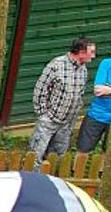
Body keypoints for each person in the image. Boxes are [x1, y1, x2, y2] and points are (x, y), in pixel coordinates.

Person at [29, 37, 96, 168]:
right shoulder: (56, 65)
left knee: (58, 156)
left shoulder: (83, 70)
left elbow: (80, 93)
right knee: (36, 155)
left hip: (67, 123)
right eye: (91, 52)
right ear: (81, 52)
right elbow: (40, 89)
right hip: (49, 120)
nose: (94, 55)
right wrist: (44, 114)